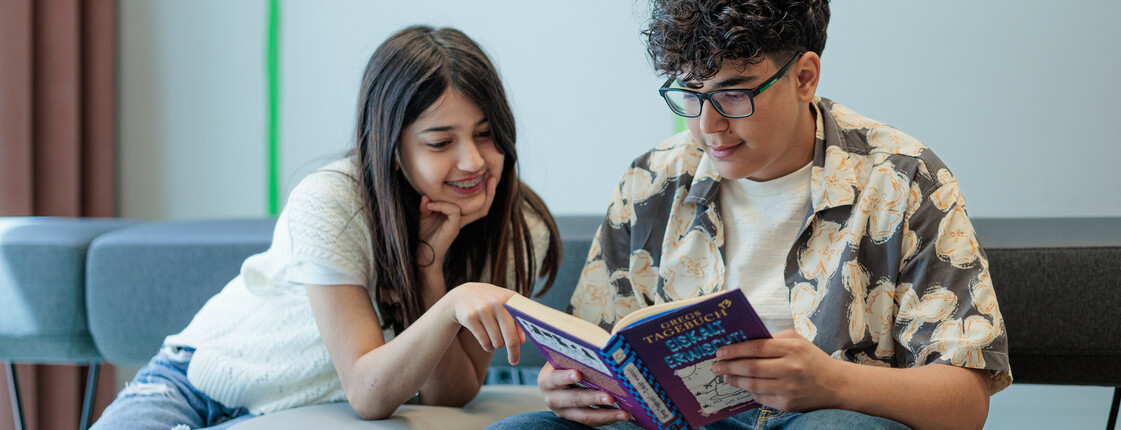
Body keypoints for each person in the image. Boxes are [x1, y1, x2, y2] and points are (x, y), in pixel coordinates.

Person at [490, 1, 1011, 429]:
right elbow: (597, 346)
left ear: (804, 77)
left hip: (821, 419)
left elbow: (966, 401)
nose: (708, 125)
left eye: (733, 93)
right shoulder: (652, 181)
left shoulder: (902, 178)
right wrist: (570, 389)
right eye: (690, 94)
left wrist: (833, 383)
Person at [91, 26, 561, 429]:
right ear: (392, 148)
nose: (473, 161)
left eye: (485, 133)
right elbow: (365, 388)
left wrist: (429, 273)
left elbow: (450, 394)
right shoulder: (333, 201)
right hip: (200, 388)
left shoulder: (517, 228)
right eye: (441, 142)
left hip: (311, 412)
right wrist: (453, 304)